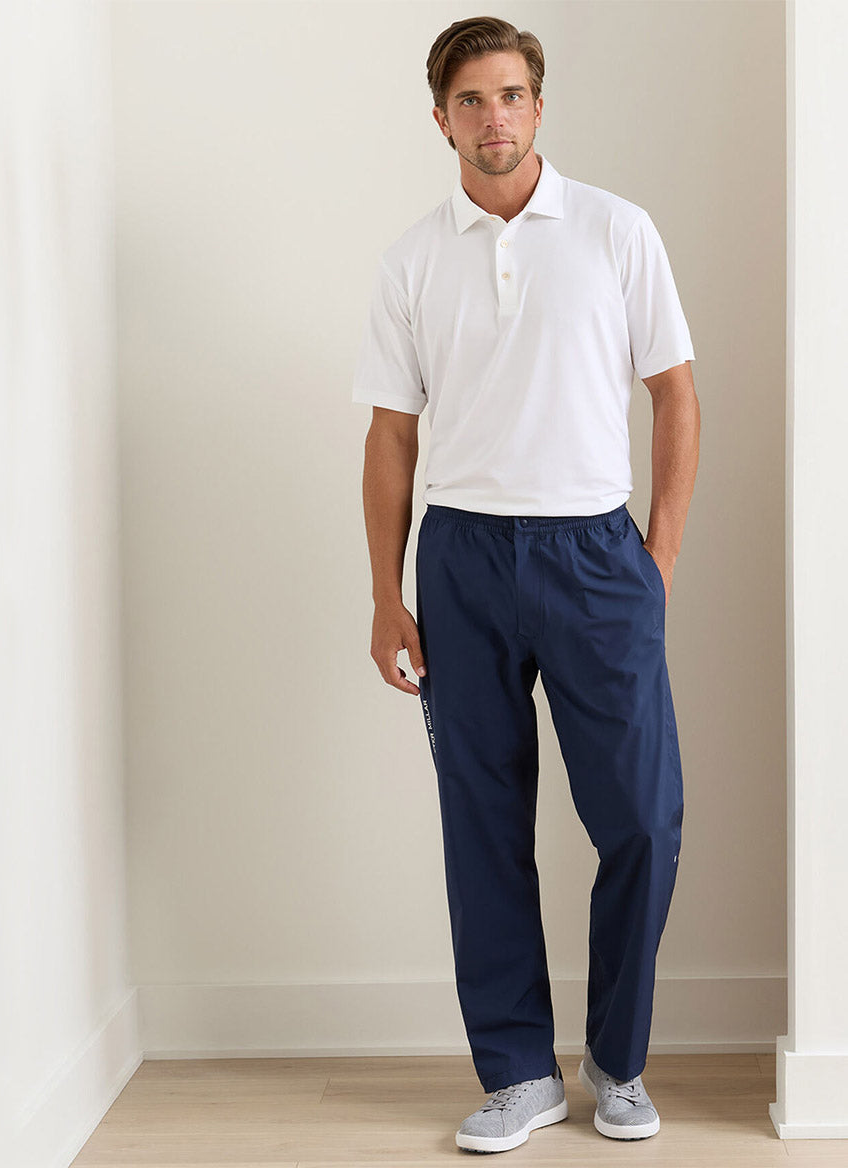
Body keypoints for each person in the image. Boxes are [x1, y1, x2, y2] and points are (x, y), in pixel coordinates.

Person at [351, 14, 698, 1156]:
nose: (492, 118)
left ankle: (618, 1061)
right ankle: (518, 1073)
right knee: (482, 822)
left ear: (538, 107)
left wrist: (656, 559)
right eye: (471, 100)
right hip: (462, 558)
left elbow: (675, 393)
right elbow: (391, 435)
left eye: (510, 96)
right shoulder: (412, 259)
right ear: (440, 118)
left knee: (642, 818)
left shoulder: (615, 230)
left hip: (597, 555)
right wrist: (386, 592)